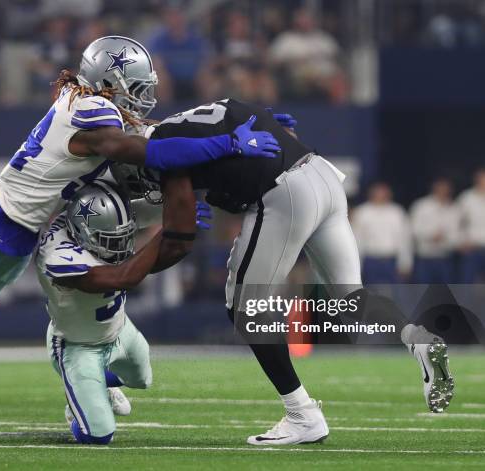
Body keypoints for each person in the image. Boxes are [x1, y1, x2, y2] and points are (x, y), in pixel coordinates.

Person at [0, 36, 281, 425]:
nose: (141, 96)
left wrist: (235, 122)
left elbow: (158, 132)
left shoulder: (93, 105)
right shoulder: (90, 112)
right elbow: (150, 150)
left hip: (20, 232)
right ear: (108, 82)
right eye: (134, 87)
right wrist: (229, 143)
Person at [116, 98, 454, 445]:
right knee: (352, 298)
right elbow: (250, 139)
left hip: (286, 192)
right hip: (322, 176)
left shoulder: (159, 145)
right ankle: (416, 338)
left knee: (246, 308)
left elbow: (175, 192)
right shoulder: (195, 116)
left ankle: (301, 413)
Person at [37, 176, 208, 444]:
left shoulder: (106, 220)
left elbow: (165, 208)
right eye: (111, 240)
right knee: (98, 436)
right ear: (82, 232)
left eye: (124, 238)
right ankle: (79, 400)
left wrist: (184, 214)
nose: (119, 246)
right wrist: (167, 232)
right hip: (77, 344)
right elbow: (121, 277)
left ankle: (100, 382)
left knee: (143, 379)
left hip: (119, 328)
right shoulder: (56, 254)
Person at [352, 182, 413, 283]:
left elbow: (405, 240)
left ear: (389, 194)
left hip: (391, 260)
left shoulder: (397, 212)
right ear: (371, 193)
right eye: (378, 192)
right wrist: (356, 265)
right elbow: (356, 240)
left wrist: (405, 263)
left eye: (384, 192)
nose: (380, 195)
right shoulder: (362, 212)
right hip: (370, 260)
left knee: (394, 294)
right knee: (370, 294)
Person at [410, 178, 459, 283]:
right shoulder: (421, 206)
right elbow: (414, 229)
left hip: (445, 257)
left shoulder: (454, 208)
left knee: (447, 292)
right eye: (440, 188)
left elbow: (456, 233)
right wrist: (430, 236)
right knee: (422, 291)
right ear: (434, 189)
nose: (443, 191)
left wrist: (445, 239)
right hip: (424, 257)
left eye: (446, 189)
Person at [457, 168, 485, 283]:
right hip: (473, 248)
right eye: (482, 178)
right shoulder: (466, 198)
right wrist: (461, 241)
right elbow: (457, 223)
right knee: (469, 283)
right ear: (476, 179)